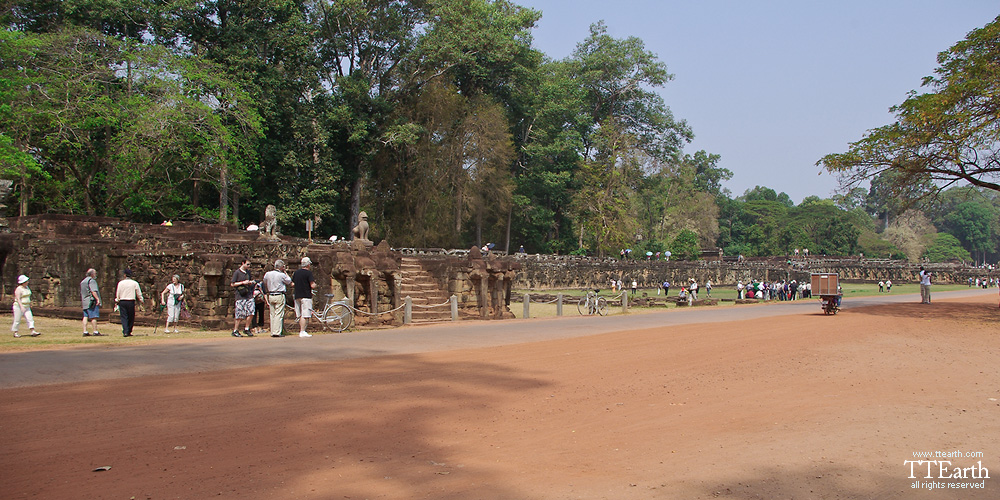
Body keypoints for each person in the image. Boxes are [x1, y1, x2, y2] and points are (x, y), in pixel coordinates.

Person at [262, 259, 292, 337]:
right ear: (282, 267)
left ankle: (273, 331)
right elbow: (289, 281)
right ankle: (277, 332)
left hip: (271, 294)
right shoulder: (281, 275)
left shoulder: (268, 274)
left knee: (272, 314)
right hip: (279, 294)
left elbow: (264, 282)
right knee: (279, 314)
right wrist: (285, 272)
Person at [115, 269, 144, 337]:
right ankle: (129, 330)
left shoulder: (121, 283)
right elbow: (138, 292)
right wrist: (141, 300)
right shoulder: (134, 283)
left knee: (124, 316)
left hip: (122, 300)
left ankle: (125, 331)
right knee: (131, 316)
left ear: (125, 275)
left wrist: (117, 300)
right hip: (130, 301)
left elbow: (118, 292)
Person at [292, 257, 317, 338]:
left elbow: (292, 284)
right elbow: (312, 285)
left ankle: (302, 330)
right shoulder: (308, 273)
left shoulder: (296, 273)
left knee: (299, 314)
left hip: (297, 295)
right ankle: (302, 331)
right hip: (305, 295)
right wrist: (315, 285)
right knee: (305, 314)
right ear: (308, 265)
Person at [230, 258, 255, 337]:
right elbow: (232, 284)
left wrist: (250, 282)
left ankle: (246, 328)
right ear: (242, 263)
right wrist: (242, 283)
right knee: (239, 314)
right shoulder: (237, 272)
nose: (248, 266)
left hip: (249, 294)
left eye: (249, 264)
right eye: (247, 264)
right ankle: (235, 330)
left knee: (251, 311)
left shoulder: (248, 272)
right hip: (240, 295)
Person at [80, 268, 103, 337]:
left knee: (85, 316)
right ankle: (95, 331)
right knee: (93, 317)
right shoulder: (91, 281)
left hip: (85, 301)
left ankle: (85, 331)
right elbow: (93, 291)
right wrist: (97, 299)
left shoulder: (83, 281)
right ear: (92, 274)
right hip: (91, 301)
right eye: (95, 273)